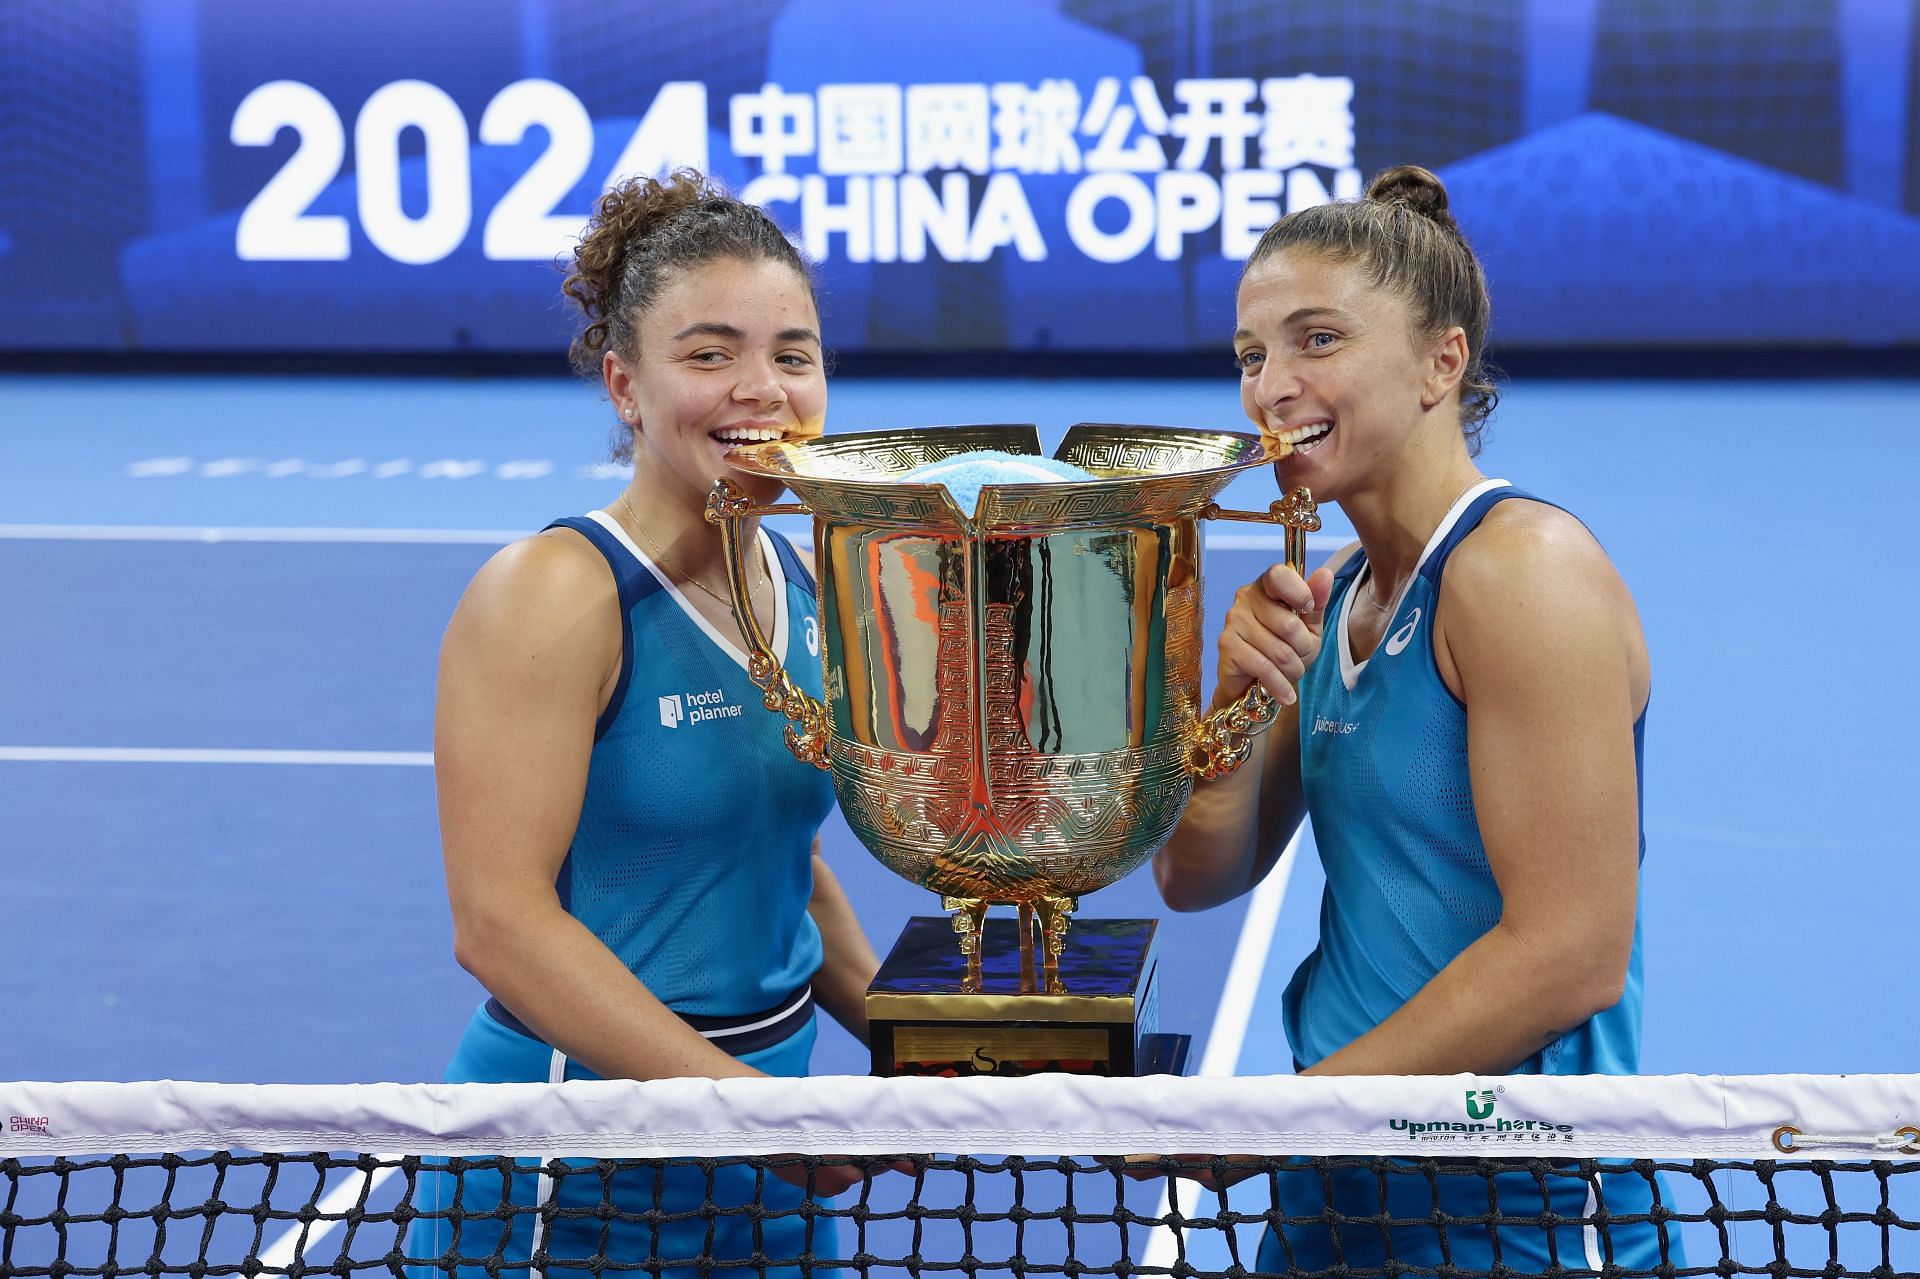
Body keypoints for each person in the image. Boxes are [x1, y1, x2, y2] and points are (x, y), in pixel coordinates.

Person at [1153, 166, 1680, 1273]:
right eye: (1252, 355)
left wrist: (1284, 1121)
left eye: (1317, 340)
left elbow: (1570, 957)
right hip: (1341, 1179)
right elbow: (1201, 876)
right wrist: (1234, 714)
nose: (1270, 386)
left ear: (1444, 361)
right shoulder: (1343, 589)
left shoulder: (1525, 575)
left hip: (1510, 1199)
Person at [409, 170, 883, 1278]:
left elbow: (781, 862)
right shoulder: (554, 591)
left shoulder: (799, 580)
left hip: (765, 1163)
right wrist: (754, 1115)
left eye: (793, 354)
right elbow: (501, 924)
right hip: (572, 1170)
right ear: (625, 386)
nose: (760, 389)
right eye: (709, 354)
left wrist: (945, 1056)